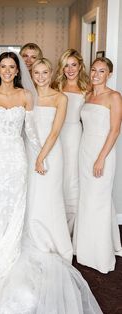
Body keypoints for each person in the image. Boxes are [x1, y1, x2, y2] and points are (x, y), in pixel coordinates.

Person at [0, 52, 102, 314]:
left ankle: (13, 250)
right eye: (2, 66)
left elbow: (30, 132)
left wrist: (41, 157)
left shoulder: (26, 95)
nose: (6, 70)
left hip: (17, 157)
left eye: (11, 67)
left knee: (17, 205)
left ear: (17, 71)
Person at [73, 57, 122, 273]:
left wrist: (101, 157)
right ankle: (84, 248)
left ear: (109, 74)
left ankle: (100, 254)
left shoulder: (114, 96)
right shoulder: (88, 95)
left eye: (101, 71)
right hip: (84, 151)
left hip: (103, 152)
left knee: (99, 200)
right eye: (93, 70)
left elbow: (114, 130)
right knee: (86, 199)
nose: (95, 74)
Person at [26, 58, 72, 262]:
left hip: (51, 152)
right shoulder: (27, 96)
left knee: (50, 196)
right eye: (37, 73)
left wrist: (41, 157)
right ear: (31, 74)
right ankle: (33, 239)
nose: (41, 77)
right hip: (29, 151)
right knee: (32, 196)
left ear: (52, 73)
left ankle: (54, 242)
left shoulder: (60, 98)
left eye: (45, 72)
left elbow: (54, 132)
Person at [52, 48, 89, 235]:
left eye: (73, 65)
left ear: (80, 65)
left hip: (76, 135)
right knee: (58, 174)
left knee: (73, 176)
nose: (70, 69)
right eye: (66, 66)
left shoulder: (87, 89)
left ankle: (73, 227)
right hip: (56, 135)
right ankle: (58, 223)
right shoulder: (55, 87)